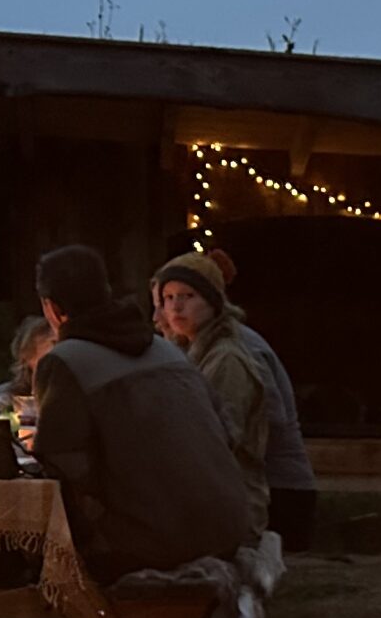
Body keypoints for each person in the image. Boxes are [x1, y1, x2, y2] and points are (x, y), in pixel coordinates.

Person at [29, 246, 254, 582]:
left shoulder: (65, 361)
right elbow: (227, 430)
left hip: (157, 542)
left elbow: (63, 467)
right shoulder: (167, 350)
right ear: (107, 293)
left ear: (53, 309)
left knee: (27, 532)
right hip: (227, 527)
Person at [201, 248, 318, 550]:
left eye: (183, 297)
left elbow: (268, 418)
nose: (165, 313)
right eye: (165, 300)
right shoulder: (201, 349)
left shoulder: (237, 350)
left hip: (277, 490)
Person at [151, 251, 271, 539]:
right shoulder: (188, 354)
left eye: (188, 296)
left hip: (231, 501)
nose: (176, 307)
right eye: (168, 298)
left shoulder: (226, 360)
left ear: (213, 302)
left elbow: (219, 440)